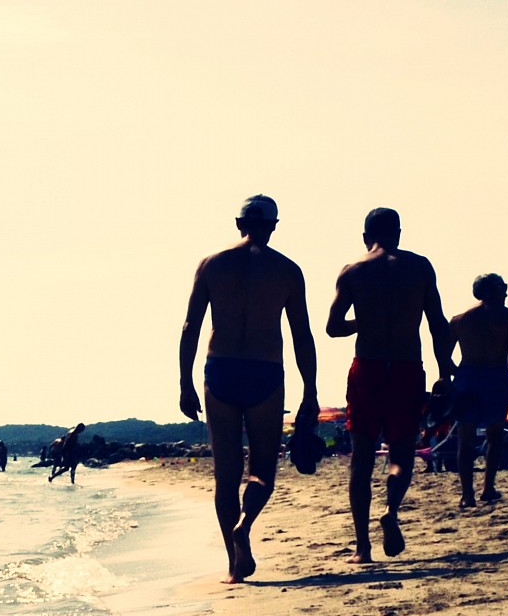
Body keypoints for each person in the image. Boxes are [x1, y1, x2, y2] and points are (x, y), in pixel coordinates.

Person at [178, 194, 320, 582]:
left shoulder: (212, 265)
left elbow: (191, 326)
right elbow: (301, 334)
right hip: (266, 371)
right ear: (273, 225)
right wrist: (310, 389)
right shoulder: (287, 271)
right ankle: (246, 524)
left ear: (238, 222)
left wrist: (185, 383)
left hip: (220, 369)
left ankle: (232, 564)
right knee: (262, 471)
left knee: (226, 475)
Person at [328, 206, 451, 561]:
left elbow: (333, 327)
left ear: (366, 237)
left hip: (367, 368)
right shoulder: (419, 267)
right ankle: (391, 511)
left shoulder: (353, 270)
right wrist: (445, 370)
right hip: (407, 367)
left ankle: (362, 548)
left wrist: (362, 321)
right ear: (399, 233)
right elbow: (437, 324)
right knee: (401, 454)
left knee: (362, 459)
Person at [447, 273, 508, 507]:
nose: (506, 292)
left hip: (470, 378)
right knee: (493, 436)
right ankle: (486, 487)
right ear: (489, 291)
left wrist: (455, 374)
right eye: (502, 287)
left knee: (468, 438)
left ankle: (469, 494)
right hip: (494, 377)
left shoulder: (460, 319)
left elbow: (444, 354)